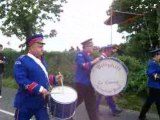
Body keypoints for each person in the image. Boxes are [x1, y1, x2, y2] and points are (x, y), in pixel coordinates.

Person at [13, 34, 62, 120]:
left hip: (40, 103)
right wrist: (39, 89)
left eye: (42, 46)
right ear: (31, 48)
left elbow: (42, 77)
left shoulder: (41, 60)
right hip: (26, 103)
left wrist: (54, 79)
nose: (42, 49)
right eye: (39, 46)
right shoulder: (22, 60)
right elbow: (21, 80)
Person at [75, 38, 100, 120]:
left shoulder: (89, 56)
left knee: (91, 105)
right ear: (85, 47)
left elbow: (91, 68)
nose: (93, 47)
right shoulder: (80, 54)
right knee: (76, 102)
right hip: (81, 84)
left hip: (88, 85)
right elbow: (83, 65)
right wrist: (94, 62)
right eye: (91, 45)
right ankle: (66, 115)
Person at [96, 45, 123, 116]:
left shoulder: (106, 57)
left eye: (111, 51)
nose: (111, 52)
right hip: (101, 81)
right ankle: (95, 110)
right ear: (106, 51)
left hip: (106, 80)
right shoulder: (101, 58)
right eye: (110, 51)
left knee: (109, 95)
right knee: (99, 96)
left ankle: (114, 110)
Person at [139, 48, 160, 120]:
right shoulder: (152, 63)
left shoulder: (155, 63)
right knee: (157, 103)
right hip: (155, 87)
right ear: (156, 55)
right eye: (159, 55)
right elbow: (150, 73)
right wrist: (159, 77)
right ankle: (141, 116)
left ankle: (141, 116)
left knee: (149, 101)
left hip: (155, 87)